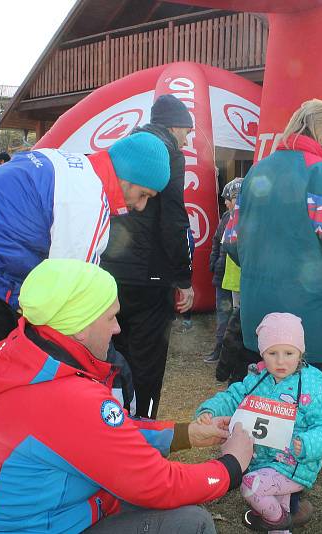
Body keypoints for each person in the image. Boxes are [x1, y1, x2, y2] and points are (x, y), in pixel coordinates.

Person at [0, 135, 172, 464]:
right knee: (0, 412)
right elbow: (75, 302)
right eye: (143, 194)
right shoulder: (86, 199)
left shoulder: (65, 164)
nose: (141, 206)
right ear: (128, 177)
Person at [0, 258, 254, 534]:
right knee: (192, 523)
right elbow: (158, 484)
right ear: (81, 327)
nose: (117, 328)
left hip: (47, 517)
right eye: (110, 318)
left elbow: (110, 433)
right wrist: (231, 466)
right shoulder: (67, 396)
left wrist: (187, 434)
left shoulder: (32, 358)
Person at [223, 99, 322, 373]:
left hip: (258, 321)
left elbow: (232, 241)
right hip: (309, 321)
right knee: (305, 405)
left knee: (261, 402)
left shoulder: (257, 170)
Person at [196, 312, 322, 532]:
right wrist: (210, 409)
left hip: (293, 463)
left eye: (289, 353)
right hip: (262, 459)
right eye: (272, 353)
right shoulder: (257, 379)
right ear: (262, 353)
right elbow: (232, 397)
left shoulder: (311, 388)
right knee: (278, 509)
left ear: (300, 352)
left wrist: (308, 444)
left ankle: (275, 519)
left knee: (251, 486)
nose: (281, 361)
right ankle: (280, 524)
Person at [100, 94, 195, 418]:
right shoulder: (168, 153)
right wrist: (183, 277)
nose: (188, 139)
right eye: (187, 131)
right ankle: (144, 431)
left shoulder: (127, 147)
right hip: (150, 277)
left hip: (110, 272)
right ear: (176, 126)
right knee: (148, 361)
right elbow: (174, 220)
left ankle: (114, 424)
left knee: (113, 353)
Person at [205, 177, 243, 363]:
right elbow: (216, 241)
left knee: (237, 316)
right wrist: (214, 262)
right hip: (223, 275)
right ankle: (219, 350)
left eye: (230, 198)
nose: (226, 202)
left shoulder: (248, 217)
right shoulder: (226, 218)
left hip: (239, 278)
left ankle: (233, 355)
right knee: (222, 314)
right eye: (226, 198)